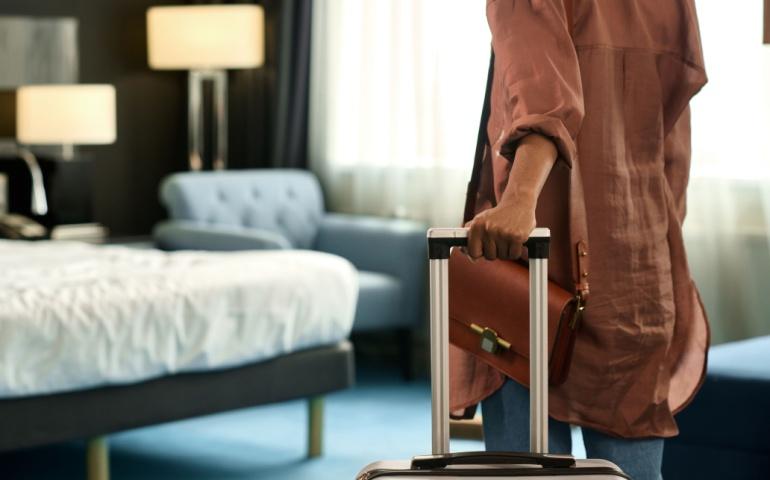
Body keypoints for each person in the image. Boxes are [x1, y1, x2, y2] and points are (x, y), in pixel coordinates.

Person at [449, 1, 710, 479]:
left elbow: (544, 99)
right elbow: (672, 136)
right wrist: (661, 240)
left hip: (530, 267)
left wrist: (519, 199)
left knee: (526, 470)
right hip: (637, 265)